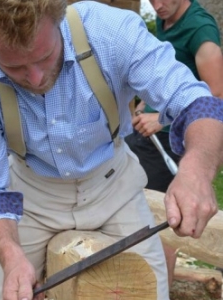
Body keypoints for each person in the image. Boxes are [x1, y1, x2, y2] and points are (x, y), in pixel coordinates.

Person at [0, 1, 223, 300]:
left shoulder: (112, 32)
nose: (36, 79)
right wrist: (11, 257)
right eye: (14, 67)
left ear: (59, 17)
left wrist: (195, 172)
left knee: (147, 291)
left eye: (45, 56)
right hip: (28, 198)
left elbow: (199, 104)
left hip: (114, 189)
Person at [125, 0, 223, 286]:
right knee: (131, 211)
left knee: (161, 224)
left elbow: (216, 97)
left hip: (177, 143)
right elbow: (160, 77)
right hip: (150, 139)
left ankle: (160, 290)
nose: (157, 5)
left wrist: (162, 120)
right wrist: (143, 106)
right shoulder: (163, 21)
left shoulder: (200, 29)